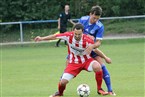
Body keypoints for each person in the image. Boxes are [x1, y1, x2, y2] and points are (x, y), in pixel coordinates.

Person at [34, 23, 110, 97]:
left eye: (79, 34)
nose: (77, 36)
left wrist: (105, 57)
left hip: (86, 61)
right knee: (63, 82)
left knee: (97, 66)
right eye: (75, 34)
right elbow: (54, 36)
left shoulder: (87, 40)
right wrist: (41, 38)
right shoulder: (68, 36)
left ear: (82, 32)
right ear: (73, 31)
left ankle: (99, 89)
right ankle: (60, 93)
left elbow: (96, 49)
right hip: (73, 63)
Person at [78, 5, 116, 96]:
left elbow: (98, 43)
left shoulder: (100, 26)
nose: (95, 20)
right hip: (78, 50)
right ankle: (60, 91)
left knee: (102, 66)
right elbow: (75, 33)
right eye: (94, 18)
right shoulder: (82, 20)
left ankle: (110, 90)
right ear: (90, 14)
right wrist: (86, 37)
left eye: (97, 19)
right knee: (68, 68)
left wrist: (92, 46)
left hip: (92, 49)